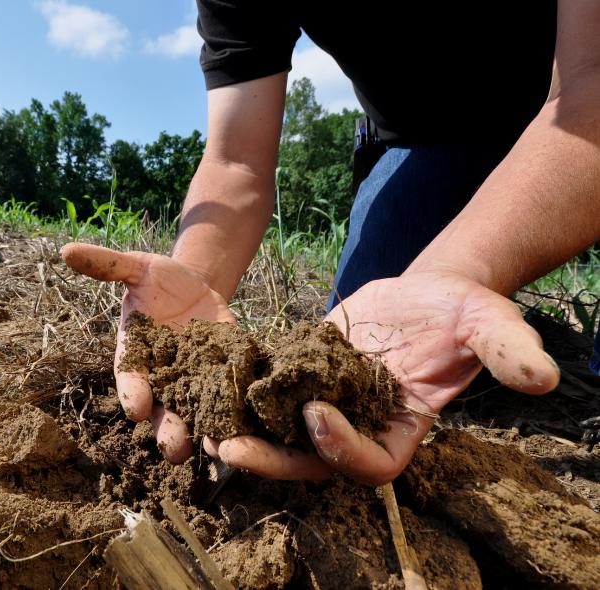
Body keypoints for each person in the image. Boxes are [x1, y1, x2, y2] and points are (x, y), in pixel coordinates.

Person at [61, 0, 600, 485]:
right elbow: (236, 161)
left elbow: (590, 87)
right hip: (428, 140)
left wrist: (465, 266)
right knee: (364, 349)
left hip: (579, 99)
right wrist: (195, 283)